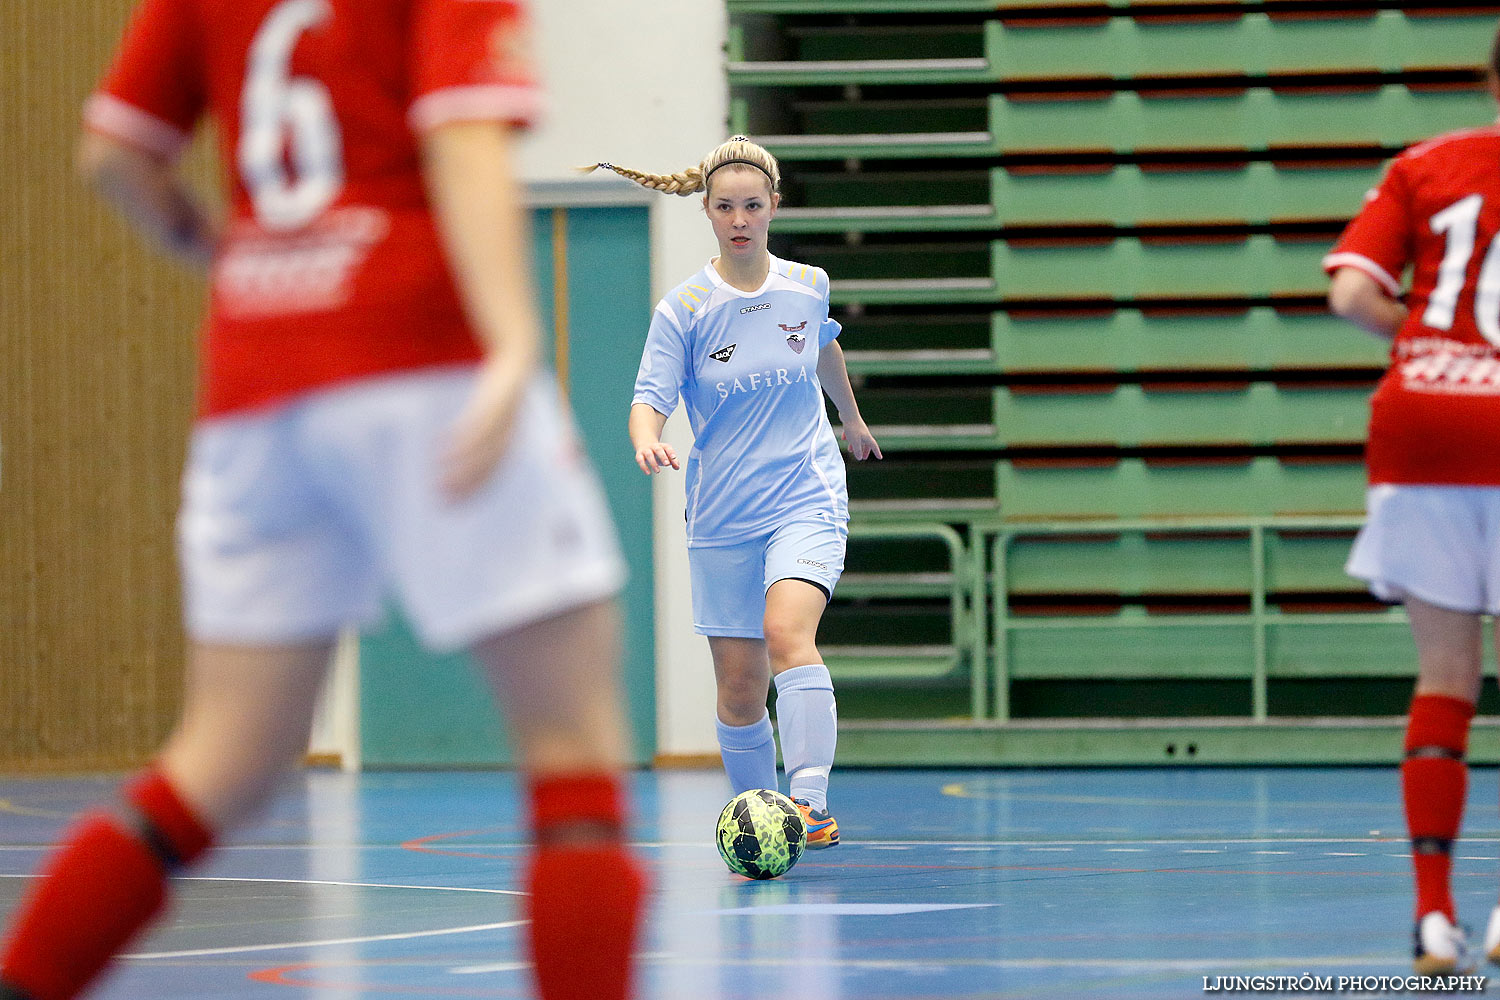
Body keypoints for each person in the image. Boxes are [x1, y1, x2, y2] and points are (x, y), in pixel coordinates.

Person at [0, 1, 646, 998]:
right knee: (572, 748)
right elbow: (463, 135)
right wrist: (514, 337)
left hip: (257, 387)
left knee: (217, 763)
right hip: (419, 352)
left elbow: (110, 156)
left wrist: (215, 249)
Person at [583, 137, 881, 850]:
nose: (740, 219)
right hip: (722, 514)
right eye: (726, 207)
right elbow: (647, 397)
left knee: (788, 634)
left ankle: (808, 804)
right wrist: (645, 436)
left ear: (773, 207)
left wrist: (852, 419)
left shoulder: (807, 284)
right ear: (708, 212)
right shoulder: (683, 308)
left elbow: (822, 346)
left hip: (804, 494)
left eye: (753, 206)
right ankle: (758, 816)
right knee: (741, 687)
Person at [1324, 28, 1500, 976]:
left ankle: (1435, 918)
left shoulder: (1424, 164)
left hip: (1420, 421)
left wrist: (1439, 347)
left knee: (1446, 682)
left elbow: (1353, 293)